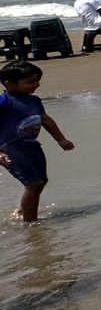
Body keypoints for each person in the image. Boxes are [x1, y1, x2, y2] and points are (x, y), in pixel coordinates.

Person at [1, 60, 75, 222]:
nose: (36, 85)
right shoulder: (4, 102)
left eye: (37, 81)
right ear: (9, 84)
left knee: (41, 181)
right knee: (33, 184)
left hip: (31, 146)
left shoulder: (34, 101)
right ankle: (31, 224)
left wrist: (61, 140)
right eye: (30, 82)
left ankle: (22, 210)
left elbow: (46, 121)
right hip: (10, 148)